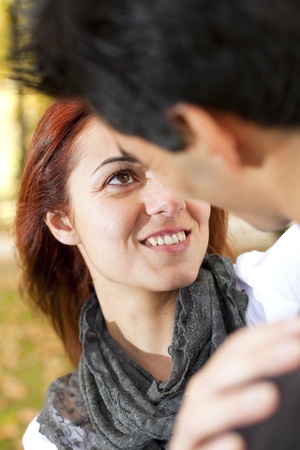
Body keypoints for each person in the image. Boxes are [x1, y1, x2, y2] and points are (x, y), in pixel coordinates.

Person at [10, 0, 300, 448]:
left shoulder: (283, 295)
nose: (170, 198)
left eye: (174, 160)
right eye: (121, 177)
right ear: (63, 222)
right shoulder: (54, 439)